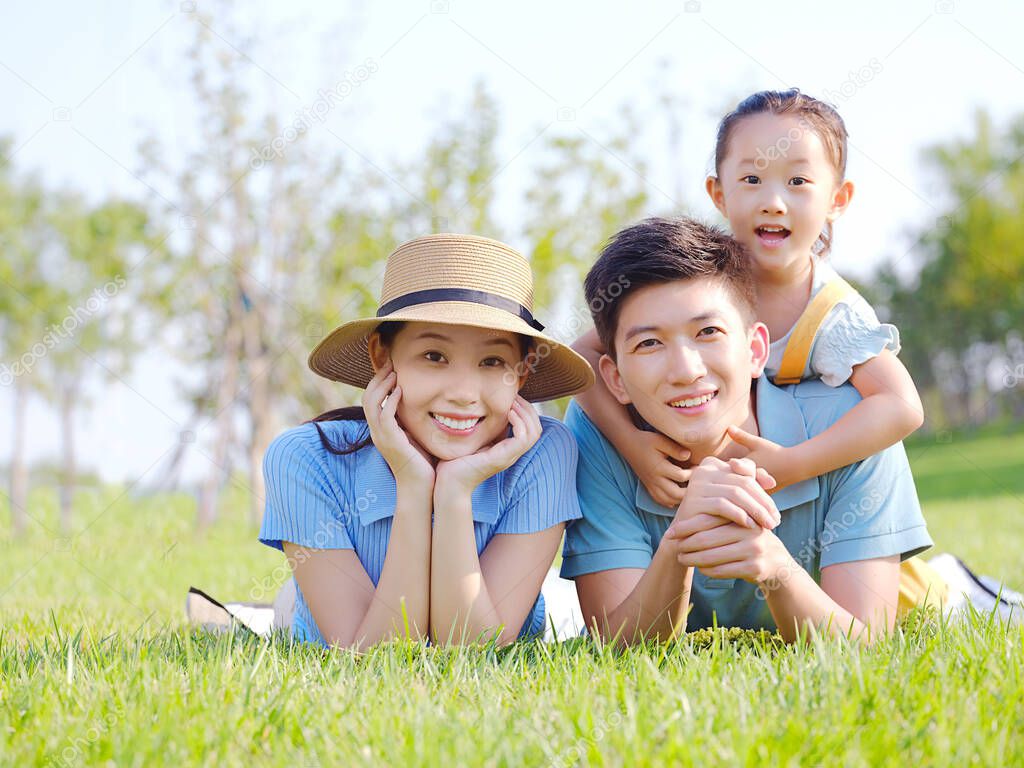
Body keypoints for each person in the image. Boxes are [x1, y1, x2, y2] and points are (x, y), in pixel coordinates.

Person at [559, 216, 933, 645]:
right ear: (616, 379)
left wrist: (777, 568)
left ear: (755, 350)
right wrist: (679, 545)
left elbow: (868, 646)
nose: (686, 371)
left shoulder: (848, 427)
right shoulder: (597, 436)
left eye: (708, 332)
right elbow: (614, 647)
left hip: (910, 589)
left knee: (933, 589)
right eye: (650, 343)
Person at [572, 88, 923, 505]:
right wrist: (632, 445)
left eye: (798, 182)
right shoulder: (696, 285)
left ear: (837, 199)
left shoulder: (831, 314)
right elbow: (585, 358)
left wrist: (793, 464)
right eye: (752, 180)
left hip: (804, 493)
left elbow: (901, 406)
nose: (773, 202)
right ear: (719, 194)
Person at [258, 233, 594, 650]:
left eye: (493, 361)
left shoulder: (542, 452)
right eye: (434, 356)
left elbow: (473, 647)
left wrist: (455, 492)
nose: (463, 393)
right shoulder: (306, 458)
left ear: (521, 374)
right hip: (325, 620)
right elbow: (371, 654)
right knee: (289, 604)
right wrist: (413, 486)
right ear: (382, 358)